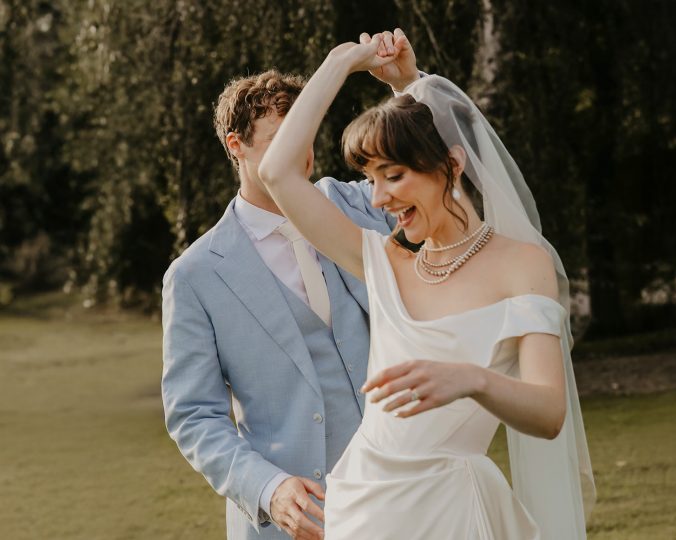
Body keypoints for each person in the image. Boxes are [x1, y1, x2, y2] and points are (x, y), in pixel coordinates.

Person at [258, 32, 596, 539]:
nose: (377, 199)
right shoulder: (382, 262)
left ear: (452, 166)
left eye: (393, 176)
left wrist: (472, 380)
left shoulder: (523, 267)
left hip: (451, 511)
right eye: (371, 179)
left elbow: (549, 413)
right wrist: (342, 62)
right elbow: (277, 173)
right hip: (362, 511)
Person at [161, 31, 419, 540]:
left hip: (396, 498)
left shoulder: (353, 203)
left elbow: (439, 166)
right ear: (236, 147)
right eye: (282, 140)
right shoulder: (194, 275)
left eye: (305, 134)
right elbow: (194, 415)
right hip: (291, 523)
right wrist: (268, 489)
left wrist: (405, 86)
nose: (301, 155)